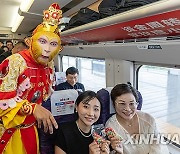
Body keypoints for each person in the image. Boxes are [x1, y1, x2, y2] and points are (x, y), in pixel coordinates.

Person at [0, 3, 63, 154]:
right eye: (42, 42)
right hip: (8, 130)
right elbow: (2, 98)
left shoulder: (49, 65)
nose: (47, 49)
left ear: (60, 48)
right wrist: (32, 108)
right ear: (29, 42)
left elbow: (45, 95)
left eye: (53, 44)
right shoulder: (15, 62)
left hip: (30, 129)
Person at [105, 83, 169, 154]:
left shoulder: (148, 119)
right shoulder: (111, 127)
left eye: (132, 103)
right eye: (122, 104)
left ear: (137, 104)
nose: (128, 109)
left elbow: (158, 148)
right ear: (114, 105)